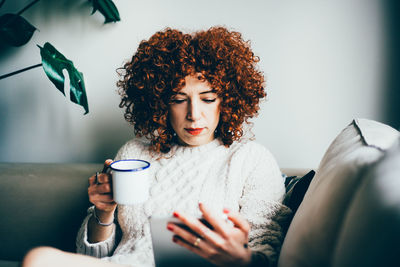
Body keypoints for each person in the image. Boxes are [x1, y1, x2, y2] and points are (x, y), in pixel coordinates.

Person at [22, 26, 292, 267]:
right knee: (38, 259)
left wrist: (241, 259)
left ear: (228, 101)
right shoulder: (133, 153)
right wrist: (104, 213)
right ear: (160, 102)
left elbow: (266, 250)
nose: (194, 114)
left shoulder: (251, 159)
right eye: (178, 99)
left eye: (208, 99)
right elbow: (94, 258)